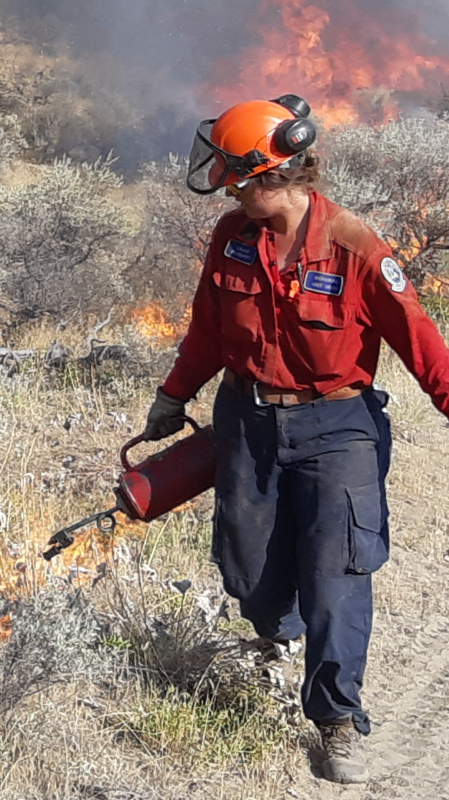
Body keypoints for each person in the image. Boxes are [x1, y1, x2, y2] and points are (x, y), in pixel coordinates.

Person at [142, 94, 449, 785]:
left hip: (336, 427)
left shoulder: (355, 245)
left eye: (235, 177)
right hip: (246, 421)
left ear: (270, 175)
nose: (227, 189)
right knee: (248, 571)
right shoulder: (232, 236)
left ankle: (337, 719)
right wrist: (172, 395)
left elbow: (421, 340)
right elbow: (208, 329)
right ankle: (279, 636)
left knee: (336, 574)